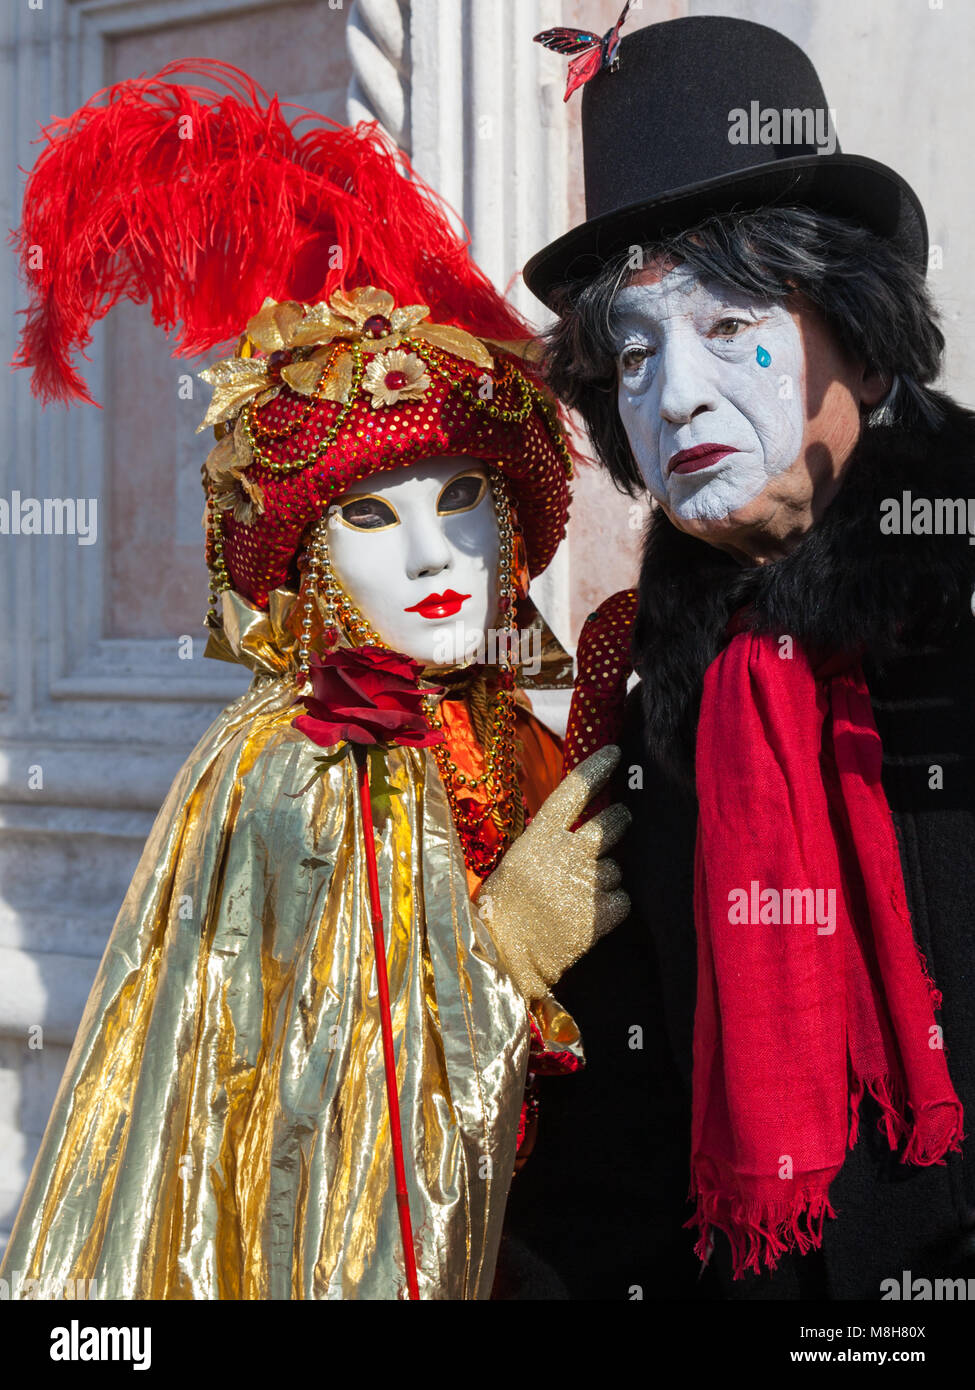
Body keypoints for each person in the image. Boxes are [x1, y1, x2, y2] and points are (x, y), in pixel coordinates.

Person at [0, 62, 629, 1300]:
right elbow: (329, 1146)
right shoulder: (300, 762)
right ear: (307, 559)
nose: (434, 554)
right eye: (371, 518)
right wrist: (504, 948)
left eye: (461, 501)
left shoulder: (507, 725)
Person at [507, 16, 975, 1300]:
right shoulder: (660, 706)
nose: (678, 399)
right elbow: (622, 1153)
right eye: (638, 355)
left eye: (729, 325)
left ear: (864, 341)